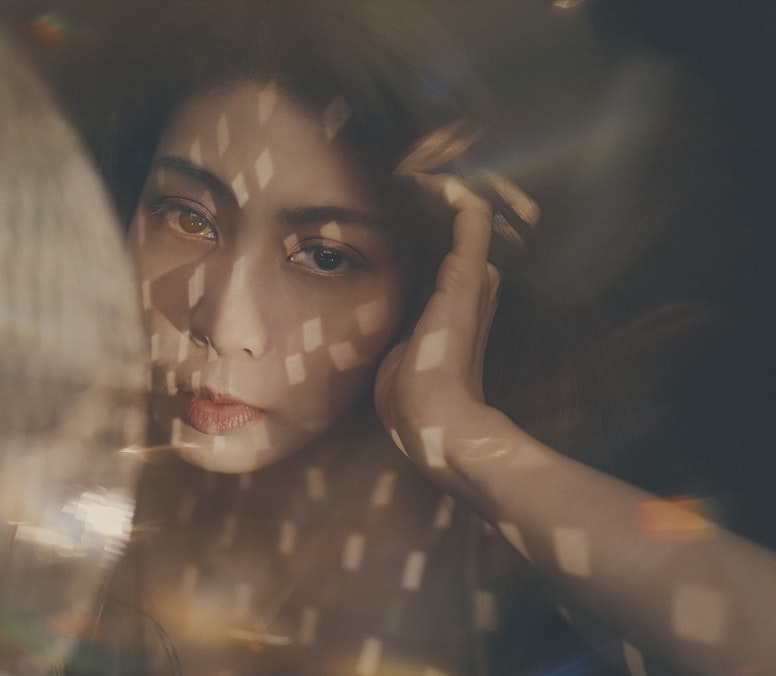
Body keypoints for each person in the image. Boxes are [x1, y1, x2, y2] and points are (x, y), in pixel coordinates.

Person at [43, 2, 776, 674]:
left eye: (325, 257)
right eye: (189, 217)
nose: (224, 325)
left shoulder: (508, 571)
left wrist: (463, 438)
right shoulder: (53, 496)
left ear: (432, 282)